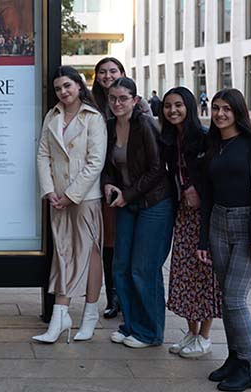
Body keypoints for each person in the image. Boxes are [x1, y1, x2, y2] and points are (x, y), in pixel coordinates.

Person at [197, 88, 251, 391]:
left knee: (235, 298)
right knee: (226, 299)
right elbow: (207, 195)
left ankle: (250, 366)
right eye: (215, 108)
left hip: (247, 224)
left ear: (238, 111)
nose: (220, 114)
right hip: (217, 222)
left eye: (227, 108)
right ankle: (235, 358)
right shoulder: (214, 145)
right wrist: (203, 238)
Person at [32, 66, 106, 343]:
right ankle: (60, 316)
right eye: (58, 89)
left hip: (84, 197)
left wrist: (71, 194)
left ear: (79, 85)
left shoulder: (93, 117)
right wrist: (50, 190)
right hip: (57, 198)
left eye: (67, 86)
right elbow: (42, 154)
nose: (63, 92)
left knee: (90, 254)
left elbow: (95, 161)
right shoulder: (52, 116)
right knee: (62, 253)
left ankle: (89, 314)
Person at [101, 77, 175, 349]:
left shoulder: (144, 125)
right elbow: (107, 164)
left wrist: (127, 195)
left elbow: (158, 170)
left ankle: (150, 332)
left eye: (123, 98)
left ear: (134, 100)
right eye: (112, 98)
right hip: (126, 203)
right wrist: (108, 183)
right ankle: (130, 325)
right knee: (121, 268)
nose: (117, 103)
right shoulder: (109, 126)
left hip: (154, 204)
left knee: (143, 269)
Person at [160, 87, 221, 358]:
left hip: (205, 215)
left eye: (178, 105)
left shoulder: (205, 137)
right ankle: (192, 332)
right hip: (183, 216)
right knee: (183, 272)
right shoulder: (171, 139)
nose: (173, 110)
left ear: (190, 107)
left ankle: (205, 336)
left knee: (205, 273)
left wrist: (196, 188)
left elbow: (215, 178)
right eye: (168, 106)